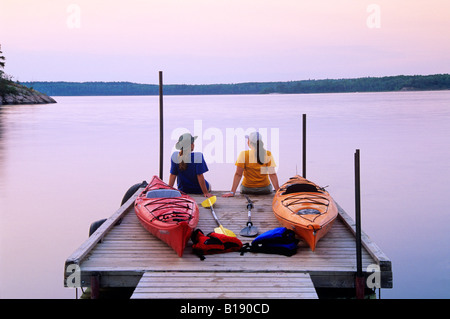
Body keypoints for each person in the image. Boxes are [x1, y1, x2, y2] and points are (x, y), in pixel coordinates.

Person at [222, 131, 279, 197]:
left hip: (247, 189)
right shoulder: (267, 154)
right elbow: (272, 174)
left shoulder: (243, 154)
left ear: (250, 142)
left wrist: (232, 192)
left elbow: (238, 174)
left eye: (248, 140)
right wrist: (277, 191)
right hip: (265, 189)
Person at [169, 133, 212, 197]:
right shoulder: (198, 156)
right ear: (191, 145)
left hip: (183, 190)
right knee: (209, 185)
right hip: (199, 190)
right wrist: (205, 192)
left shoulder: (175, 156)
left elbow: (173, 175)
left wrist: (169, 191)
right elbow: (200, 175)